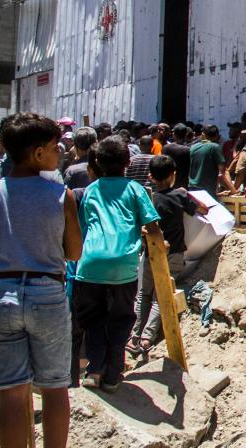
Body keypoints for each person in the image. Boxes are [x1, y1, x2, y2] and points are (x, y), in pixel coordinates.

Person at [0, 113, 82, 448]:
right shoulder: (61, 195)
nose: (59, 152)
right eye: (53, 147)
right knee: (54, 388)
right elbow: (74, 252)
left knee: (12, 393)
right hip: (47, 294)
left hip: (0, 296)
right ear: (36, 153)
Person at [72, 135, 160, 391]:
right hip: (123, 266)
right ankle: (113, 375)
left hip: (90, 265)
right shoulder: (135, 189)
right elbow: (151, 225)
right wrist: (159, 246)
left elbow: (83, 226)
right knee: (121, 319)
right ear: (128, 162)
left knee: (93, 320)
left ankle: (94, 371)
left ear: (97, 162)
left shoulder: (91, 190)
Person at [129, 155, 207, 357]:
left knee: (143, 294)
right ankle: (148, 338)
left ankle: (134, 337)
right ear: (173, 175)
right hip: (173, 253)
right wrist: (187, 194)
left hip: (149, 254)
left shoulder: (148, 200)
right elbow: (203, 209)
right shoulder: (179, 195)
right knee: (160, 296)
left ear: (150, 177)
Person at [188, 125, 232, 197]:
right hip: (206, 191)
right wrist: (233, 190)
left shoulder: (193, 147)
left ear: (203, 135)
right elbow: (223, 172)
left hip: (192, 189)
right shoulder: (215, 147)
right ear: (217, 135)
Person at [162, 124, 192, 190]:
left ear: (174, 134)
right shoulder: (187, 150)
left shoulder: (166, 148)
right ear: (186, 135)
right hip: (182, 185)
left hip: (167, 183)